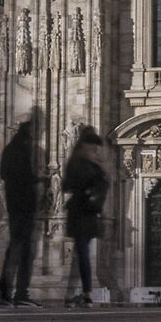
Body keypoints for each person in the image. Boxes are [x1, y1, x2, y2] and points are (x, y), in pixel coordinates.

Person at [60, 127, 109, 306]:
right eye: (92, 147)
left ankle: (75, 293)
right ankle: (85, 292)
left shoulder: (88, 164)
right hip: (81, 213)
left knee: (80, 254)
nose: (94, 151)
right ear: (85, 145)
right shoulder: (78, 163)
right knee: (82, 253)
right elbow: (68, 185)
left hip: (87, 214)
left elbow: (103, 184)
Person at [0, 113, 43, 308]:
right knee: (25, 251)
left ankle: (4, 293)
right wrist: (39, 180)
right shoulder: (24, 150)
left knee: (14, 249)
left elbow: (3, 174)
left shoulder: (9, 149)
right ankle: (21, 294)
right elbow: (24, 178)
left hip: (13, 204)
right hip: (24, 205)